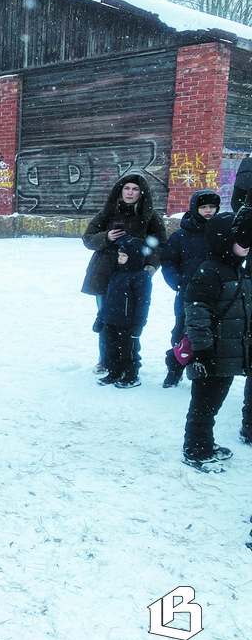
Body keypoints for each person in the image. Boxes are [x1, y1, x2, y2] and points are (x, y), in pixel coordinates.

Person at [180, 212, 251, 471]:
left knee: (212, 404)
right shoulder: (210, 272)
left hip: (227, 354)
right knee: (203, 406)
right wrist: (203, 352)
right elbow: (197, 315)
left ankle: (205, 444)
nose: (246, 243)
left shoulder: (235, 269)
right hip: (210, 355)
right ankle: (195, 451)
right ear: (223, 239)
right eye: (239, 238)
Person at [82, 173, 166, 373]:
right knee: (106, 319)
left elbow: (160, 245)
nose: (130, 192)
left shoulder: (150, 215)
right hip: (105, 273)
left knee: (130, 320)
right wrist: (107, 236)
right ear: (120, 190)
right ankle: (105, 360)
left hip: (133, 276)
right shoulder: (108, 212)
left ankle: (127, 362)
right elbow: (88, 238)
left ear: (141, 192)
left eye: (135, 189)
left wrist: (150, 267)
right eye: (127, 188)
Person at [160, 190, 219, 388]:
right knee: (181, 336)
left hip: (216, 296)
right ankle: (174, 369)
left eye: (212, 206)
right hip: (188, 294)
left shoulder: (222, 232)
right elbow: (168, 261)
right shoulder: (181, 236)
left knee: (211, 336)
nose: (208, 210)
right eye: (203, 207)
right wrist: (178, 281)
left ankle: (205, 374)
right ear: (195, 208)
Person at [93, 237, 152, 388]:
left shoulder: (141, 277)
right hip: (110, 320)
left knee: (129, 350)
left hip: (128, 322)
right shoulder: (116, 275)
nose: (120, 258)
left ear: (134, 256)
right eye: (119, 255)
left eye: (124, 255)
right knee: (110, 349)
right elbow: (108, 299)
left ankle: (132, 375)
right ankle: (114, 372)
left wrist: (139, 323)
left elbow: (143, 303)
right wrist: (100, 318)